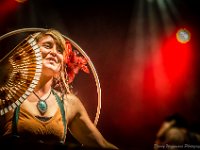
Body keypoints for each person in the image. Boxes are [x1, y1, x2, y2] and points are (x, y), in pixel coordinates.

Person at [0, 29, 118, 149]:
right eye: (47, 46)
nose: (54, 53)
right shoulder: (8, 95)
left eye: (60, 50)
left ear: (62, 65)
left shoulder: (69, 104)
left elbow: (102, 145)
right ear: (30, 52)